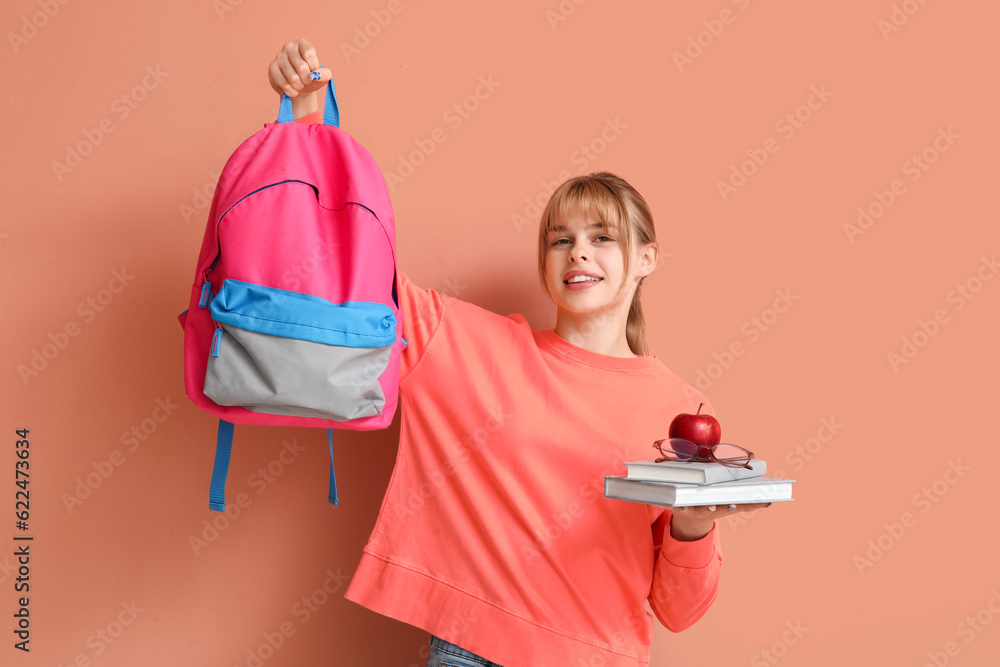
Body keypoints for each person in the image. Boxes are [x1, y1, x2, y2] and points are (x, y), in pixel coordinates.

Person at [265, 38, 771, 667]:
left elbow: (679, 610)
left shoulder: (678, 409)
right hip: (467, 652)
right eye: (561, 239)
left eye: (602, 238)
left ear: (646, 259)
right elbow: (346, 267)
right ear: (545, 265)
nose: (578, 252)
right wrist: (309, 121)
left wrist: (696, 524)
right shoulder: (470, 345)